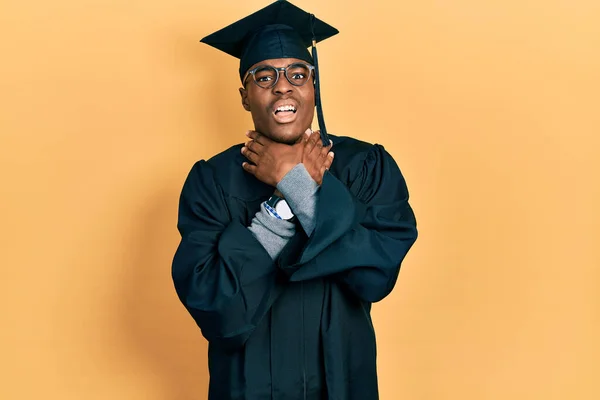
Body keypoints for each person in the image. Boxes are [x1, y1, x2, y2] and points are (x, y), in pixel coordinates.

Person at [171, 1, 418, 399]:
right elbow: (214, 301)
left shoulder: (365, 166)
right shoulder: (212, 180)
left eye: (297, 74)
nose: (283, 85)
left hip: (341, 386)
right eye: (264, 76)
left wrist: (295, 182)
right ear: (245, 97)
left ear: (313, 88)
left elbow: (375, 276)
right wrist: (287, 199)